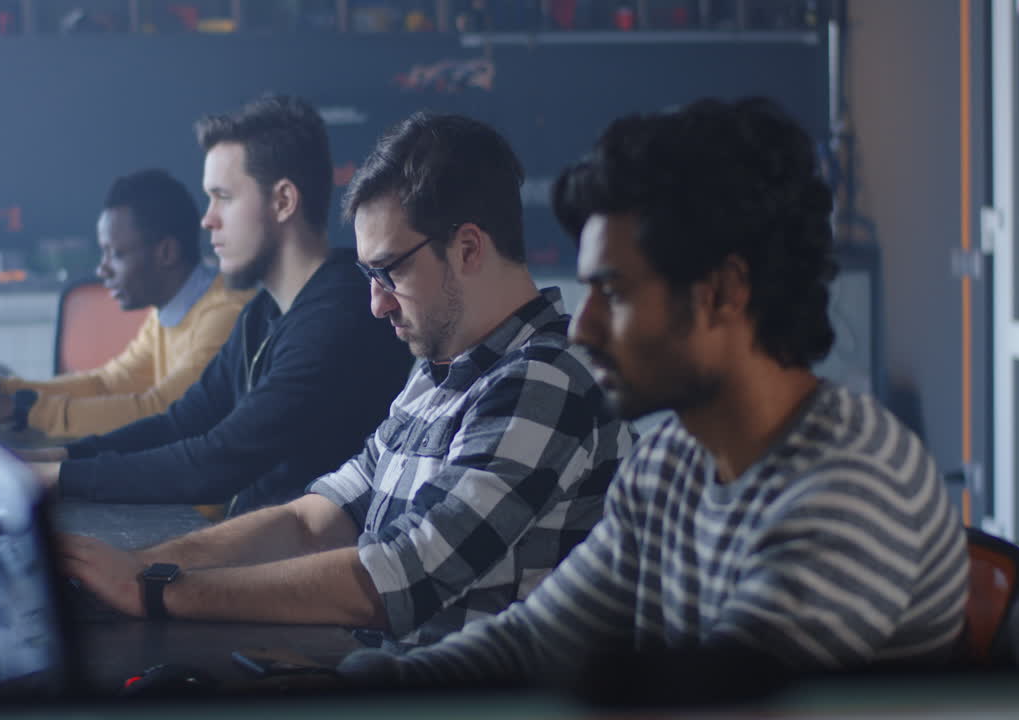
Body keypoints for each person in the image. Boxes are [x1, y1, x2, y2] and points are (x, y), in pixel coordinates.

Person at [336, 97, 969, 687]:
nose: (582, 327)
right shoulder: (672, 465)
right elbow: (534, 641)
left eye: (613, 292)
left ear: (723, 291)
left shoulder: (850, 487)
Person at [56, 111, 633, 648]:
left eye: (389, 271)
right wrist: (146, 565)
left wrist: (156, 591)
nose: (376, 304)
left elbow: (394, 578)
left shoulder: (543, 382)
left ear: (467, 248)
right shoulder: (436, 374)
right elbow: (312, 521)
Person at [25, 95, 414, 515]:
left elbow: (215, 463)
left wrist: (59, 480)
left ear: (283, 201)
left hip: (302, 568)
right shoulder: (263, 313)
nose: (207, 219)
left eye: (223, 197)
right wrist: (60, 460)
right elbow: (183, 423)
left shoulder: (341, 315)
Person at [0, 169, 251, 438]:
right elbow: (108, 384)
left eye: (116, 254)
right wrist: (3, 390)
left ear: (166, 253)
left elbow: (163, 411)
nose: (102, 270)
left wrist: (21, 409)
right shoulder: (169, 310)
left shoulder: (224, 315)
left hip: (209, 505)